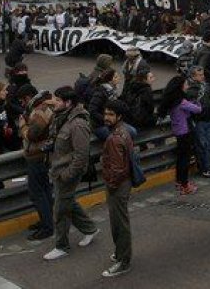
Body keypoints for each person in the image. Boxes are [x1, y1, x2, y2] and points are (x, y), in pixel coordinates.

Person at [44, 86, 99, 261]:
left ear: (68, 103)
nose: (54, 102)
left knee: (60, 210)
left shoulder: (78, 124)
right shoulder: (62, 117)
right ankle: (90, 228)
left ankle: (62, 246)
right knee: (67, 202)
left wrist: (67, 174)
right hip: (58, 170)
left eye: (58, 100)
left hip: (67, 173)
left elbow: (81, 155)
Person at [100, 99, 133, 278]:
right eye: (106, 114)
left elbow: (118, 169)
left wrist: (111, 185)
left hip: (117, 185)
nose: (106, 117)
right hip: (120, 183)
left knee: (119, 224)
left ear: (119, 116)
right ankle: (121, 254)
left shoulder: (115, 138)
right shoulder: (122, 131)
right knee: (118, 221)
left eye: (111, 115)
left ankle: (123, 261)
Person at [21, 91, 55, 241]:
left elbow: (31, 135)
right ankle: (46, 220)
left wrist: (22, 125)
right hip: (43, 155)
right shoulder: (46, 111)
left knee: (37, 193)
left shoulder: (39, 114)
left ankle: (47, 227)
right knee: (45, 190)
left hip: (37, 156)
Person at [159, 75, 201, 195]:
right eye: (186, 84)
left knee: (180, 158)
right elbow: (198, 109)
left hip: (178, 131)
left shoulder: (173, 101)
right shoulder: (182, 102)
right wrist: (197, 103)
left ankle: (179, 181)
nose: (187, 86)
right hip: (185, 131)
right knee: (185, 159)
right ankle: (184, 184)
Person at [187, 66, 210, 179]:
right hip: (198, 121)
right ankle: (204, 168)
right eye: (199, 75)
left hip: (208, 119)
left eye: (202, 74)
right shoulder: (191, 90)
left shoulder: (206, 86)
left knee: (209, 144)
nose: (202, 77)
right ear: (193, 76)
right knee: (202, 145)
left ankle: (208, 166)